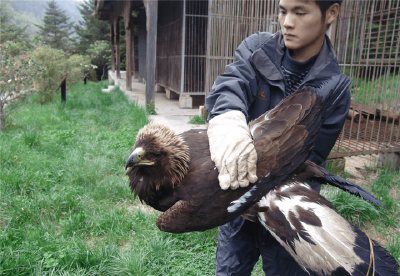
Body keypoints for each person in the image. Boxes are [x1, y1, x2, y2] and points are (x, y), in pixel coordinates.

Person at [205, 0, 351, 275]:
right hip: (237, 195)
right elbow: (232, 82)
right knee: (229, 269)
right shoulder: (258, 48)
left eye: (300, 12)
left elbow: (312, 158)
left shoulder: (335, 88)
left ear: (331, 13)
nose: (287, 22)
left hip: (287, 210)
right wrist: (227, 119)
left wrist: (264, 194)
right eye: (283, 11)